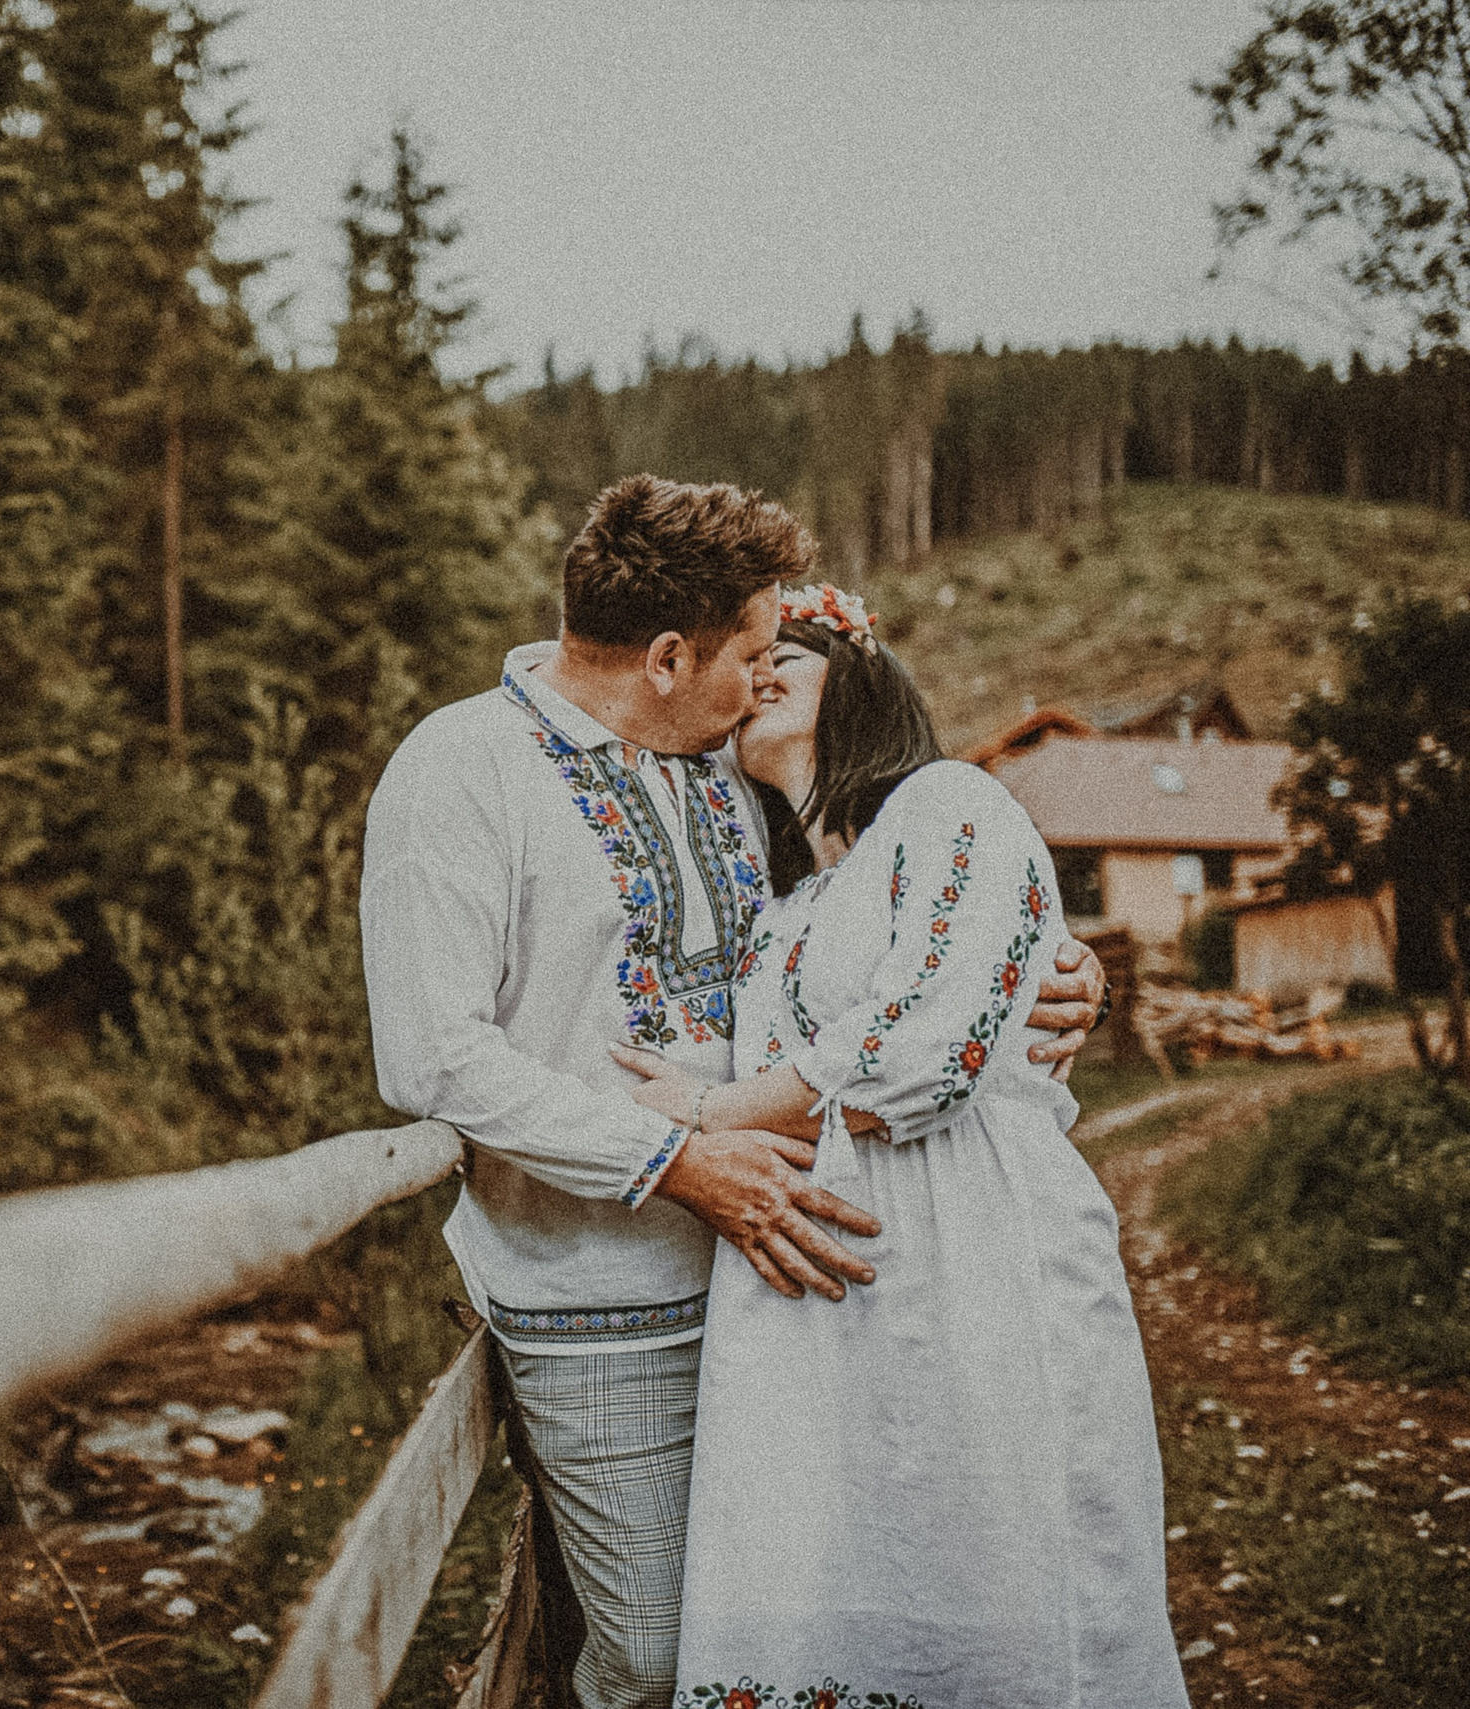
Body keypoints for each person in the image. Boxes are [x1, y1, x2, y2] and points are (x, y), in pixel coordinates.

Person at [359, 476, 1107, 1709]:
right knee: (659, 1664)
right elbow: (431, 1055)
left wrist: (1051, 973)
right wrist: (674, 1162)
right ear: (665, 656)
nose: (764, 679)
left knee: (813, 1639)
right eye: (753, 653)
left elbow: (872, 942)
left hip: (795, 1295)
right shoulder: (462, 769)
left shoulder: (729, 778)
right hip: (609, 1298)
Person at [618, 584, 1188, 1709]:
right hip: (809, 1286)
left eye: (796, 650)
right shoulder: (779, 911)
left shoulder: (949, 806)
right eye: (748, 659)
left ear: (866, 674)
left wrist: (703, 1112)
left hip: (969, 1249)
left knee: (991, 1556)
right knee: (830, 1559)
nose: (763, 671)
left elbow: (923, 1049)